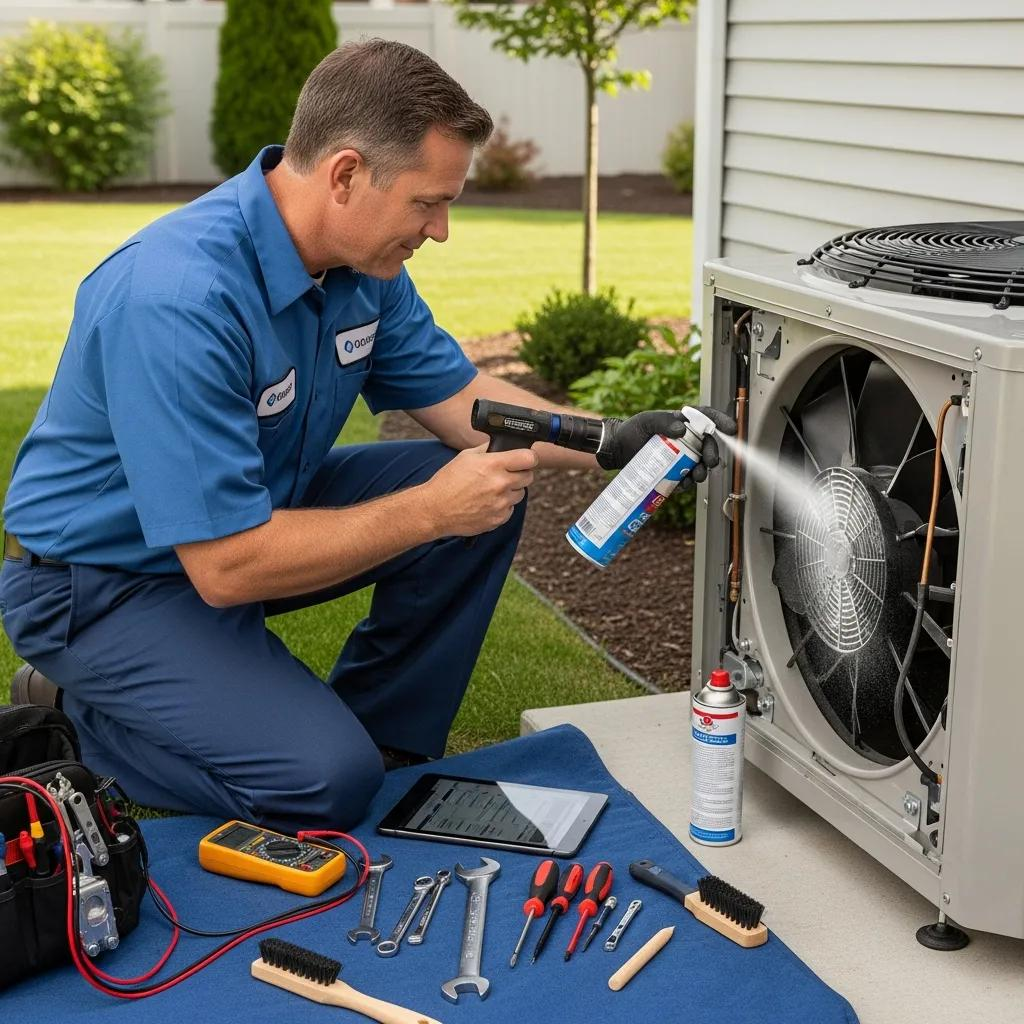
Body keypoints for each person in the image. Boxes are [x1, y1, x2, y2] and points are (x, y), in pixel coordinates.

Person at [0, 40, 734, 832]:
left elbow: (466, 403)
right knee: (323, 788)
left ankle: (381, 738)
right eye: (428, 203)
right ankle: (73, 710)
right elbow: (224, 566)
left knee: (484, 484)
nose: (442, 229)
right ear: (346, 174)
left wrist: (613, 439)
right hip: (104, 584)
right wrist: (428, 513)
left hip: (248, 518)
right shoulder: (178, 298)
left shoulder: (361, 269)